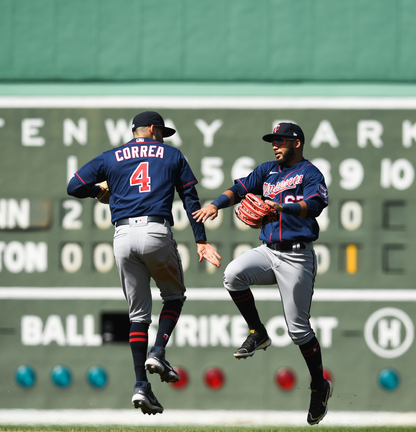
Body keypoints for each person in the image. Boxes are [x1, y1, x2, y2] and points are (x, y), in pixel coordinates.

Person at [67, 111, 222, 415]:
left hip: (122, 235)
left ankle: (141, 385)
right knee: (174, 297)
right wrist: (201, 240)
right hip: (155, 230)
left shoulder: (112, 156)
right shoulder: (172, 154)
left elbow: (74, 186)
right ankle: (159, 351)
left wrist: (99, 190)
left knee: (138, 316)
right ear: (152, 129)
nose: (162, 136)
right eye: (161, 131)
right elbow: (191, 199)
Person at [192, 122, 333, 425]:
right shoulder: (267, 170)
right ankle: (258, 332)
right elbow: (240, 188)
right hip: (270, 251)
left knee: (298, 330)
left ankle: (319, 385)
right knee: (233, 274)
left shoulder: (310, 173)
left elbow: (316, 205)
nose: (274, 145)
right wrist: (216, 205)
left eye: (280, 140)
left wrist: (282, 208)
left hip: (297, 256)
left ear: (296, 143)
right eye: (272, 140)